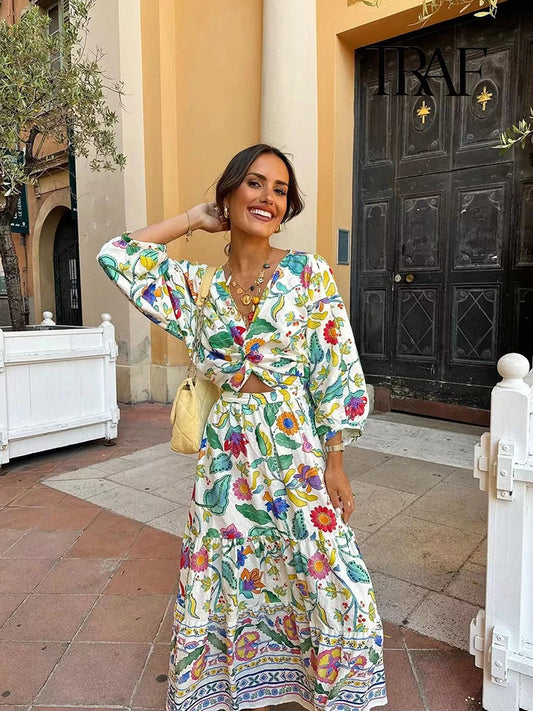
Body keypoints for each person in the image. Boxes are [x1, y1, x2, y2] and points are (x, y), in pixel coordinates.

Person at [97, 144, 387, 711]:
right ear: (228, 194)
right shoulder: (197, 288)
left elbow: (335, 369)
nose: (268, 198)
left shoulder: (307, 274)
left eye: (280, 190)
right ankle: (237, 684)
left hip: (292, 443)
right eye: (255, 184)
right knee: (228, 568)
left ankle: (334, 688)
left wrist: (336, 462)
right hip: (227, 452)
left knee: (333, 575)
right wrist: (192, 219)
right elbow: (117, 255)